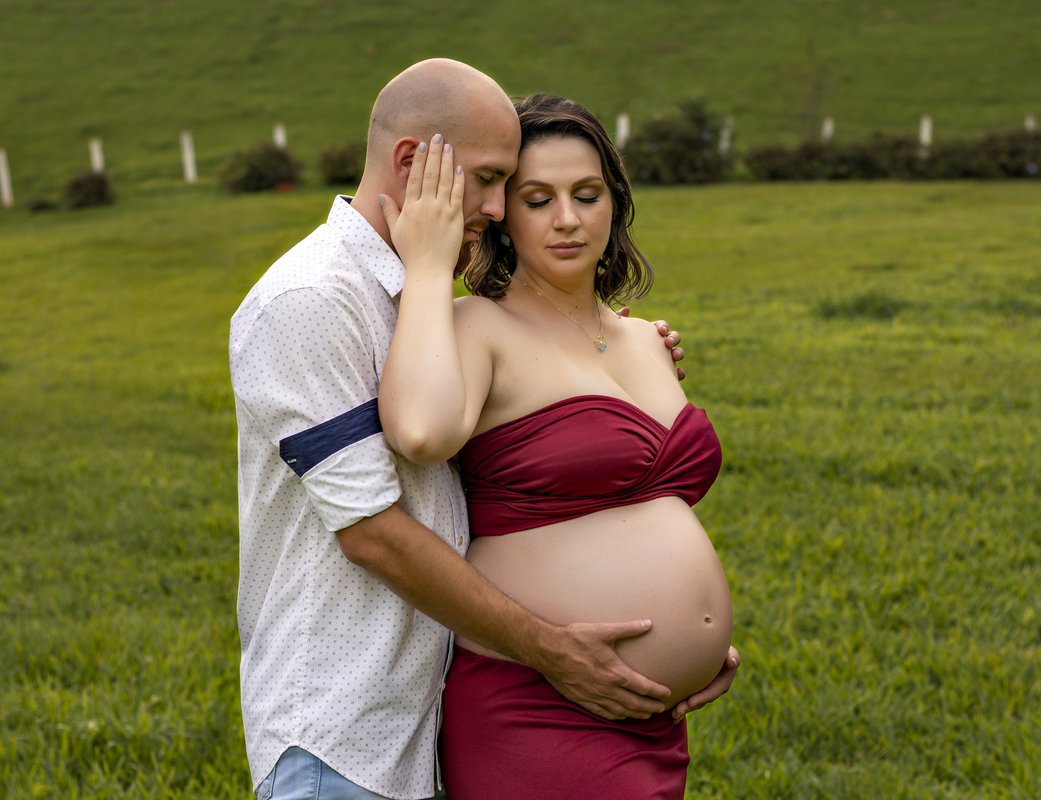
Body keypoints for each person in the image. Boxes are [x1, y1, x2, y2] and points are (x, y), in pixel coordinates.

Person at [229, 60, 738, 800]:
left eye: (585, 195)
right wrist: (551, 650)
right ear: (413, 163)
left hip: (435, 700)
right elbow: (370, 525)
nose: (500, 210)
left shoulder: (411, 295)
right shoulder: (313, 298)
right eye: (497, 182)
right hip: (343, 724)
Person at [377, 93, 734, 799]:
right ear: (501, 214)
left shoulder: (643, 339)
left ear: (615, 203)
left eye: (587, 194)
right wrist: (428, 264)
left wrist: (693, 643)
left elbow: (643, 510)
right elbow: (420, 432)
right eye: (537, 199)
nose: (568, 220)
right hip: (537, 701)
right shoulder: (477, 328)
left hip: (653, 715)